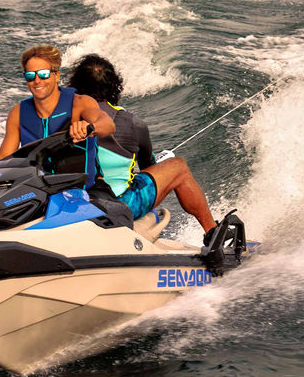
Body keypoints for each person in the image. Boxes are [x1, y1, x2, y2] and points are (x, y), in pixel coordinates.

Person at [66, 54, 221, 239]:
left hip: (74, 202)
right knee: (179, 167)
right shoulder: (132, 123)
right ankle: (213, 232)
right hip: (121, 205)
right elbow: (147, 166)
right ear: (114, 86)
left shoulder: (65, 119)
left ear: (74, 85)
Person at [0, 44, 115, 160]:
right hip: (33, 180)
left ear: (56, 76)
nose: (37, 81)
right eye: (30, 76)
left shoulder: (79, 103)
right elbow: (3, 160)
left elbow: (108, 124)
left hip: (79, 180)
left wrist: (90, 128)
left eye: (44, 74)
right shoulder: (18, 113)